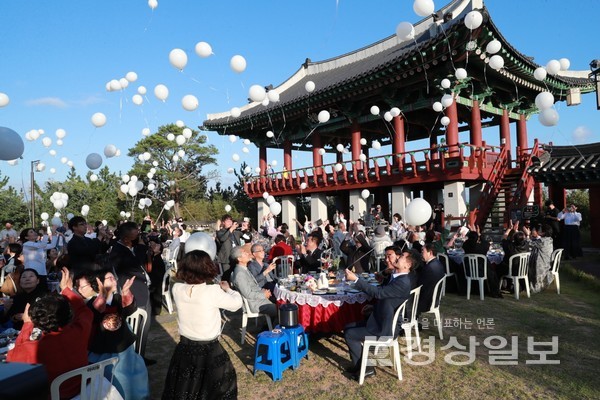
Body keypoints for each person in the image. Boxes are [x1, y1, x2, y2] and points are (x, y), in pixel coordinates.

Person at [162, 250, 242, 400]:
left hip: (185, 347)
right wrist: (228, 289)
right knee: (220, 387)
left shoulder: (177, 288)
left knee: (186, 388)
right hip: (209, 349)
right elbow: (236, 304)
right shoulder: (211, 291)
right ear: (207, 268)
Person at [6, 268, 93, 399]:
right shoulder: (78, 332)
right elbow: (85, 312)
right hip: (84, 389)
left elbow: (13, 361)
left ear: (36, 320)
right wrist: (67, 290)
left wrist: (27, 324)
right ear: (69, 315)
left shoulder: (33, 349)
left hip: (54, 395)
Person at [343, 251, 416, 381]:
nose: (398, 257)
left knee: (350, 334)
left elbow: (379, 293)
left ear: (408, 265)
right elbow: (388, 299)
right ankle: (359, 365)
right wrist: (373, 307)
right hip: (380, 319)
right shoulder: (396, 276)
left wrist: (356, 280)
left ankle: (367, 368)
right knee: (348, 327)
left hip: (385, 328)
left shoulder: (402, 282)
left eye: (401, 257)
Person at [87, 269, 150, 399]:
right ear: (99, 283)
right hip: (103, 349)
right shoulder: (92, 303)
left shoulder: (118, 299)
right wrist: (102, 296)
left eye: (113, 278)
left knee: (132, 375)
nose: (113, 280)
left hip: (123, 347)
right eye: (108, 278)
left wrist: (126, 292)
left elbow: (129, 308)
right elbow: (96, 311)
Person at [109, 221, 153, 362]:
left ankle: (141, 354)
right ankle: (133, 357)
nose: (139, 237)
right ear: (126, 238)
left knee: (144, 328)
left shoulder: (130, 247)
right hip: (133, 293)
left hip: (142, 290)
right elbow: (134, 264)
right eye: (136, 235)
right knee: (135, 328)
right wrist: (140, 246)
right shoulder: (118, 251)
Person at [231, 245, 278, 319]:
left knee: (282, 304)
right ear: (239, 258)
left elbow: (253, 285)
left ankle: (273, 326)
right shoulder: (240, 273)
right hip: (255, 304)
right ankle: (273, 328)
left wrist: (263, 291)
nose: (247, 253)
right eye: (244, 252)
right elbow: (248, 294)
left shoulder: (243, 269)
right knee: (283, 310)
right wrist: (263, 295)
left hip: (259, 298)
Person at [523, 224, 554, 293]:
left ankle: (527, 285)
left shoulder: (542, 241)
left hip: (541, 264)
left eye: (540, 230)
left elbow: (529, 243)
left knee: (526, 264)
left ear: (543, 232)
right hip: (547, 262)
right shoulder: (549, 239)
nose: (538, 231)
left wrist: (528, 235)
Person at [417, 243, 446, 316]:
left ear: (430, 253)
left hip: (427, 302)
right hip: (434, 299)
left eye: (423, 251)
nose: (421, 254)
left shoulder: (429, 268)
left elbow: (419, 285)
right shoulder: (437, 263)